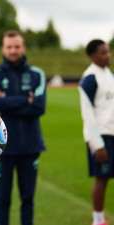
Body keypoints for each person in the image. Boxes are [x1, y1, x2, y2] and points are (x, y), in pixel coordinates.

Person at [0, 30, 46, 225]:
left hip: (31, 146)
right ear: (3, 49)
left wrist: (8, 102)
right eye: (9, 47)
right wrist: (25, 100)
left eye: (17, 46)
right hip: (2, 147)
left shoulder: (37, 74)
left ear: (23, 48)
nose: (13, 50)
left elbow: (38, 107)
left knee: (27, 199)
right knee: (3, 200)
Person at [79, 39, 114, 225]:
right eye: (103, 52)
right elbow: (88, 114)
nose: (107, 55)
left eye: (108, 51)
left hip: (113, 132)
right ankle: (98, 220)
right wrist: (98, 144)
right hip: (100, 135)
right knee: (102, 178)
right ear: (93, 56)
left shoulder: (109, 74)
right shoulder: (90, 78)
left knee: (108, 177)